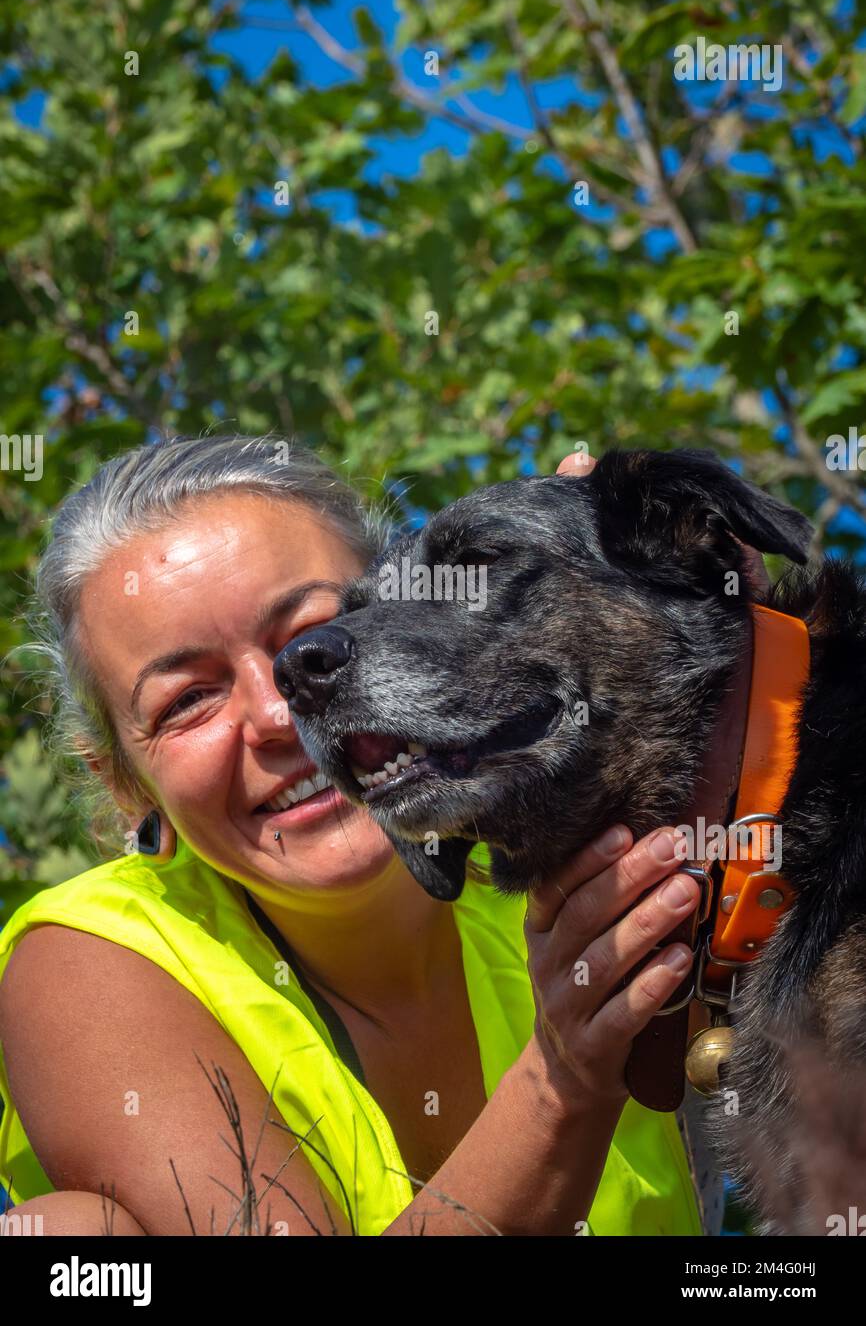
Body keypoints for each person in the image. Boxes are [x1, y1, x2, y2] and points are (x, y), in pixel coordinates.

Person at [0, 434, 711, 1236]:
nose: (278, 715)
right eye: (187, 701)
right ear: (124, 782)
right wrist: (562, 1080)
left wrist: (647, 573)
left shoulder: (572, 857)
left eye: (314, 641)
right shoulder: (86, 963)